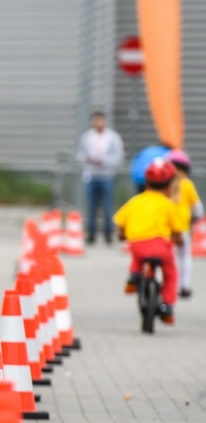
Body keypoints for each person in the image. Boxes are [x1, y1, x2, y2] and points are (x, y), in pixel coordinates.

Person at [114, 158, 184, 324]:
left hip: (138, 243)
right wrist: (179, 240)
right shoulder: (169, 205)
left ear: (146, 183)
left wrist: (122, 235)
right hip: (160, 246)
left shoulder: (135, 201)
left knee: (137, 255)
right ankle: (167, 306)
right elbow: (177, 230)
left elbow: (120, 223)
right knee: (170, 273)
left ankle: (134, 276)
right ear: (169, 186)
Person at [76, 111, 124, 245]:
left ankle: (108, 233)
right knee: (91, 207)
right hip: (91, 175)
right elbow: (80, 154)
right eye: (96, 121)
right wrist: (87, 159)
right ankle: (91, 234)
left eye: (101, 120)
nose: (99, 123)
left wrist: (105, 160)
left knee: (107, 207)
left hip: (106, 175)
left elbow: (118, 157)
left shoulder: (113, 138)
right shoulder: (87, 137)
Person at [165, 149, 203, 298]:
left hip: (165, 227)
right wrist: (197, 217)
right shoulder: (187, 184)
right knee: (184, 257)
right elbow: (197, 208)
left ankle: (167, 285)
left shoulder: (164, 185)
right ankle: (184, 286)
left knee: (167, 258)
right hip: (182, 228)